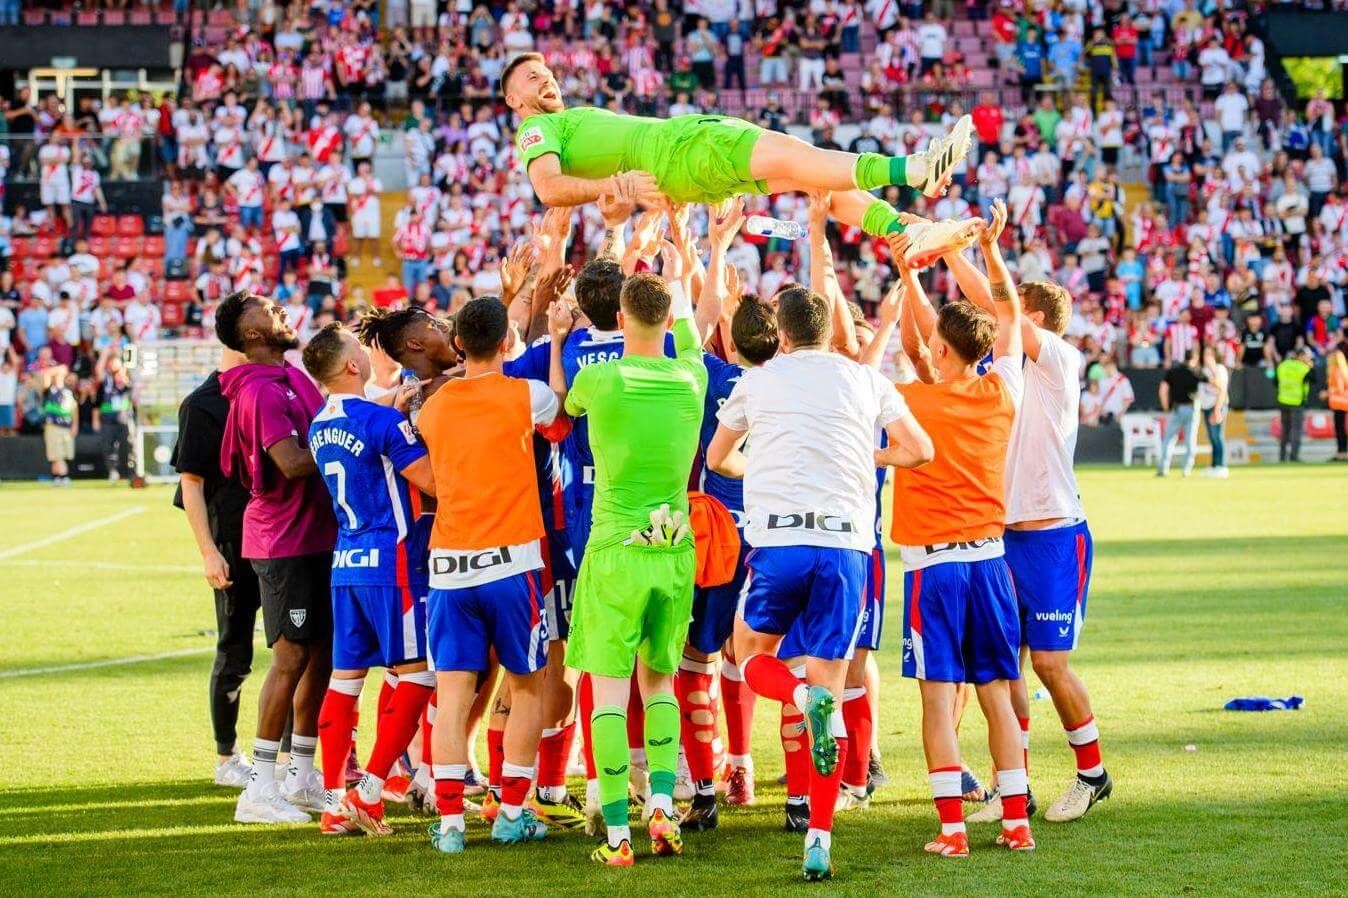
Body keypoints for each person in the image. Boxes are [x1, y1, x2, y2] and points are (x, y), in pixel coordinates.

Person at [706, 281, 932, 880]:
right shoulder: (864, 379)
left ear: (780, 333)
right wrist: (871, 458)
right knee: (829, 688)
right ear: (830, 329)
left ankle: (800, 696)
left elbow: (717, 459)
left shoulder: (758, 380)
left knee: (750, 652)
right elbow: (921, 450)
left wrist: (762, 464)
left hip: (779, 541)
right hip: (845, 546)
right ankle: (820, 842)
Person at [944, 228, 1115, 822]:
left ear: (1032, 317)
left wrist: (964, 253)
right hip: (1005, 533)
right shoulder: (1010, 368)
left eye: (1009, 315)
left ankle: (1092, 774)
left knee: (1048, 663)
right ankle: (1012, 784)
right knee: (1002, 660)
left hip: (1053, 535)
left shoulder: (1058, 360)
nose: (996, 327)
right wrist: (946, 252)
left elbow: (1000, 307)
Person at [500, 52, 978, 263]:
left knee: (811, 180)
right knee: (800, 156)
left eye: (546, 71)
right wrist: (612, 187)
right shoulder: (537, 127)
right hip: (679, 150)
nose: (545, 79)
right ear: (513, 101)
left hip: (682, 169)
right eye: (530, 78)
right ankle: (914, 170)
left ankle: (901, 231)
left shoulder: (558, 123)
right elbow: (548, 188)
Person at [561, 229, 716, 866]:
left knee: (605, 692)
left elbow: (563, 406)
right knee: (659, 688)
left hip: (616, 546)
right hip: (675, 548)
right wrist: (680, 268)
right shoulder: (692, 375)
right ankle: (663, 811)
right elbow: (692, 331)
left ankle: (620, 836)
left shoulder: (601, 380)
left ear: (619, 317)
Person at [884, 202, 1032, 859]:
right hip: (992, 565)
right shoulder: (1002, 392)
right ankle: (1016, 822)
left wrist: (905, 275)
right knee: (999, 695)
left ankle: (952, 831)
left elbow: (913, 351)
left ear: (942, 349)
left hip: (933, 571)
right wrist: (989, 251)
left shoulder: (911, 400)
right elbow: (1011, 318)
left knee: (938, 702)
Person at [418, 296, 571, 854]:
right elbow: (560, 426)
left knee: (454, 695)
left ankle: (452, 824)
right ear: (508, 342)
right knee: (529, 685)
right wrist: (553, 340)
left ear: (458, 344)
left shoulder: (432, 408)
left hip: (449, 565)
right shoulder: (527, 395)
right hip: (513, 564)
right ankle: (511, 812)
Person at [301, 323, 440, 837]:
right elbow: (431, 482)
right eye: (360, 349)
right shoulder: (383, 423)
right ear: (353, 367)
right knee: (419, 674)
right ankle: (373, 790)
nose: (365, 352)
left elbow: (359, 426)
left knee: (345, 683)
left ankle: (336, 802)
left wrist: (392, 408)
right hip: (394, 562)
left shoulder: (319, 425)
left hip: (347, 565)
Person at [216, 290, 337, 824]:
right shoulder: (261, 391)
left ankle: (302, 775)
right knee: (290, 656)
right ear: (251, 335)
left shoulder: (291, 377)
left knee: (321, 655)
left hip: (316, 535)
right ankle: (258, 788)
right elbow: (289, 462)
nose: (282, 311)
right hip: (283, 541)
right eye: (269, 310)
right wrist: (348, 442)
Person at [172, 346, 260, 786]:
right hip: (232, 540)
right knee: (235, 651)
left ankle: (286, 761)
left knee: (295, 651)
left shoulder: (272, 387)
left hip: (281, 539)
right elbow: (190, 482)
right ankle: (227, 758)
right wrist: (208, 550)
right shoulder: (203, 403)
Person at [1157, 348, 1207, 477]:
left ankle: (1163, 468)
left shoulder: (1174, 371)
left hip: (1176, 409)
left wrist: (1165, 406)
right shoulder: (1196, 373)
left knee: (1168, 439)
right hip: (1191, 408)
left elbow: (1163, 389)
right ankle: (1186, 470)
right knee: (1190, 440)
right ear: (1195, 359)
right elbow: (1210, 385)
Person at [1275, 347, 1314, 463]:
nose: (1308, 358)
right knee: (1296, 430)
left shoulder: (1283, 365)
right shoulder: (1304, 368)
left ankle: (1282, 457)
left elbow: (1275, 382)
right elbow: (1314, 379)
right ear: (1300, 356)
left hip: (1283, 401)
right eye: (1306, 356)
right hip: (1297, 403)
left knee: (1285, 430)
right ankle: (1294, 457)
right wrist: (1310, 366)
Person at [41, 368, 77, 487]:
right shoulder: (50, 390)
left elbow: (74, 410)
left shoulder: (69, 392)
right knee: (56, 454)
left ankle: (61, 477)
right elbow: (45, 375)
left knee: (61, 454)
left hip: (65, 426)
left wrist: (75, 425)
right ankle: (61, 477)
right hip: (53, 426)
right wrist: (56, 370)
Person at [1199, 345, 1230, 478]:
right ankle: (1214, 465)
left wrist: (1217, 410)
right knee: (1212, 437)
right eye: (1205, 354)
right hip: (1206, 406)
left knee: (1218, 436)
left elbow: (1221, 388)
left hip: (1217, 405)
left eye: (1210, 354)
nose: (1207, 357)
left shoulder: (1220, 369)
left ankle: (1221, 466)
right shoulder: (1202, 370)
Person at [1325, 339, 1348, 461]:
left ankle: (1342, 453)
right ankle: (1342, 452)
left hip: (1339, 403)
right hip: (1342, 403)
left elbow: (1338, 389)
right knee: (1341, 429)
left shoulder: (1336, 371)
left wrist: (1327, 393)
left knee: (1340, 430)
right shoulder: (1343, 370)